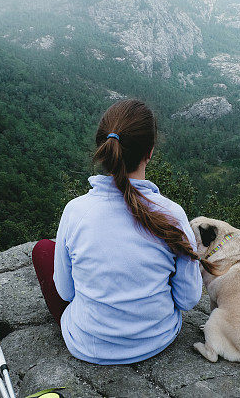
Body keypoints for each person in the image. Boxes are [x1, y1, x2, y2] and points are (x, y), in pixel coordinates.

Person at [31, 99, 203, 364]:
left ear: (104, 147)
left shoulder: (76, 211)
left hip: (88, 346)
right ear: (150, 151)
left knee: (43, 250)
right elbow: (188, 299)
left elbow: (66, 293)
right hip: (158, 339)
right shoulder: (171, 215)